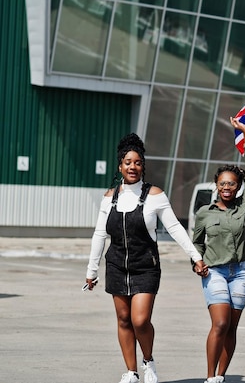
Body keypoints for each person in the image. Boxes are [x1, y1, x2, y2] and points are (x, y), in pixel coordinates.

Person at [85, 133, 208, 383]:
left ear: (143, 166)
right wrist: (92, 270)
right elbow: (100, 233)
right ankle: (131, 372)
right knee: (123, 319)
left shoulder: (155, 195)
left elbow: (175, 229)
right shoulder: (109, 197)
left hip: (146, 267)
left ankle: (148, 361)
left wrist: (196, 256)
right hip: (117, 265)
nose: (133, 166)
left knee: (140, 320)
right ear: (120, 165)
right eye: (128, 162)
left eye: (138, 162)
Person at [192, 117, 245, 383]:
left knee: (231, 327)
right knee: (219, 324)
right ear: (216, 185)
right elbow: (195, 243)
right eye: (223, 183)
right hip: (214, 272)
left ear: (237, 186)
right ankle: (210, 377)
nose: (227, 187)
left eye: (232, 184)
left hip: (240, 272)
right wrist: (196, 261)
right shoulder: (204, 213)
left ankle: (221, 376)